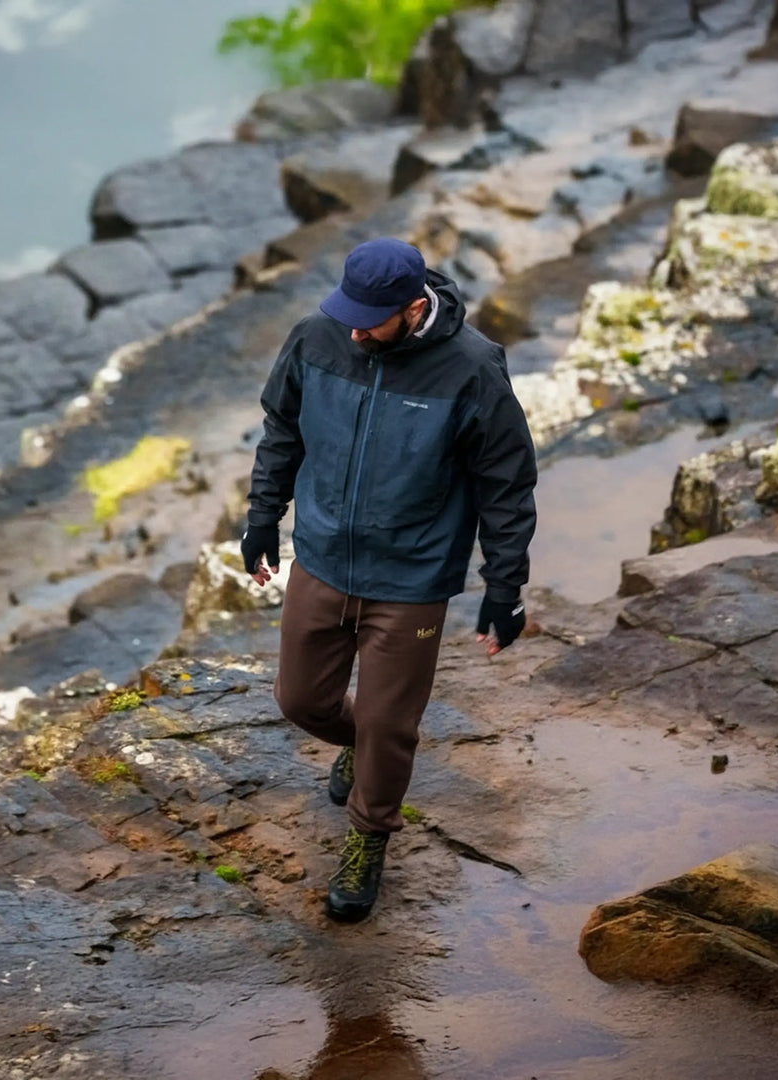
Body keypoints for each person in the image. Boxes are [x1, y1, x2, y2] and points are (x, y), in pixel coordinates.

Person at [241, 237, 537, 921]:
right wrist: (262, 519)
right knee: (300, 700)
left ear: (412, 309)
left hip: (412, 578)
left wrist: (505, 587)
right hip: (321, 557)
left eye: (370, 321)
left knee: (388, 722)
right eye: (349, 314)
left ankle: (368, 837)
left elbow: (506, 484)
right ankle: (361, 746)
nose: (355, 331)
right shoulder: (316, 338)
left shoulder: (472, 369)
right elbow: (282, 431)